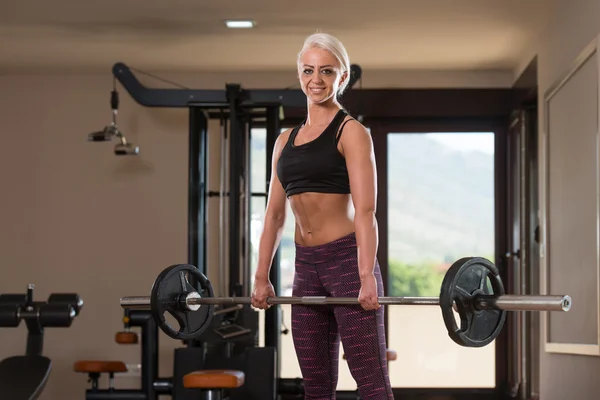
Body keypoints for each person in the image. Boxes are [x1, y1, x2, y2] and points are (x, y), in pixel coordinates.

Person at [251, 32, 394, 399]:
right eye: (308, 70)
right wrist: (261, 277)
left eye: (327, 71)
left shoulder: (352, 132)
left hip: (347, 261)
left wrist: (366, 274)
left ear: (341, 77)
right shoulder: (285, 140)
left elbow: (366, 210)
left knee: (372, 384)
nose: (316, 79)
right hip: (306, 268)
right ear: (299, 74)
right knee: (315, 387)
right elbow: (274, 216)